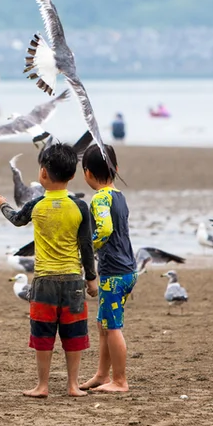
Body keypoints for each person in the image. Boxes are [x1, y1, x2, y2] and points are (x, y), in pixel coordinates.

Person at [0, 142, 97, 398]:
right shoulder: (80, 207)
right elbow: (86, 245)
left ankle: (42, 386)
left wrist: (2, 204)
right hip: (73, 281)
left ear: (42, 173)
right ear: (72, 174)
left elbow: (16, 219)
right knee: (74, 335)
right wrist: (91, 278)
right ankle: (73, 385)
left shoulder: (36, 205)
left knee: (43, 335)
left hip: (43, 283)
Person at [78, 144, 135, 393]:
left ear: (87, 173)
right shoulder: (119, 195)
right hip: (127, 268)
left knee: (112, 327)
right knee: (103, 325)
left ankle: (120, 380)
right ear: (116, 169)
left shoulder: (100, 198)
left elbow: (105, 229)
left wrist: (89, 248)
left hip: (114, 272)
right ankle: (102, 375)